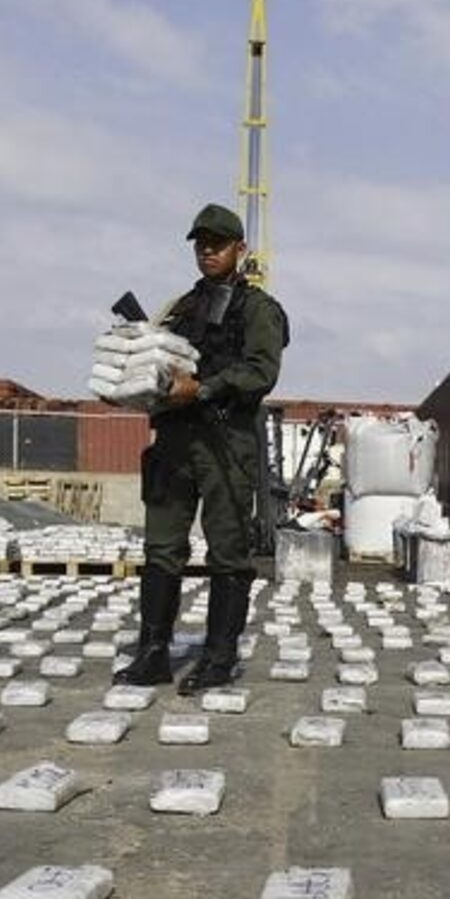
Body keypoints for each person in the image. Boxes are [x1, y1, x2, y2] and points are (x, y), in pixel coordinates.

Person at [114, 203, 289, 694]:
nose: (208, 251)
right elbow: (154, 361)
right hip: (173, 441)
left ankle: (218, 658)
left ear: (240, 249)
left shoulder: (259, 311)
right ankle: (152, 654)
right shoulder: (181, 308)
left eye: (218, 243)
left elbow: (261, 371)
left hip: (224, 442)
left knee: (228, 552)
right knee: (161, 548)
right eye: (200, 243)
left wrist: (205, 387)